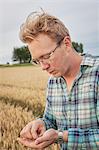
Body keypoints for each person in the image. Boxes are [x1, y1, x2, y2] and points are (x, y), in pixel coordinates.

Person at [17, 11, 99, 150]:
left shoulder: (96, 73)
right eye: (37, 60)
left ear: (66, 44)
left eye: (47, 56)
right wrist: (42, 124)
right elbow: (51, 121)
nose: (43, 67)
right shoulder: (53, 82)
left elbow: (58, 134)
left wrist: (61, 136)